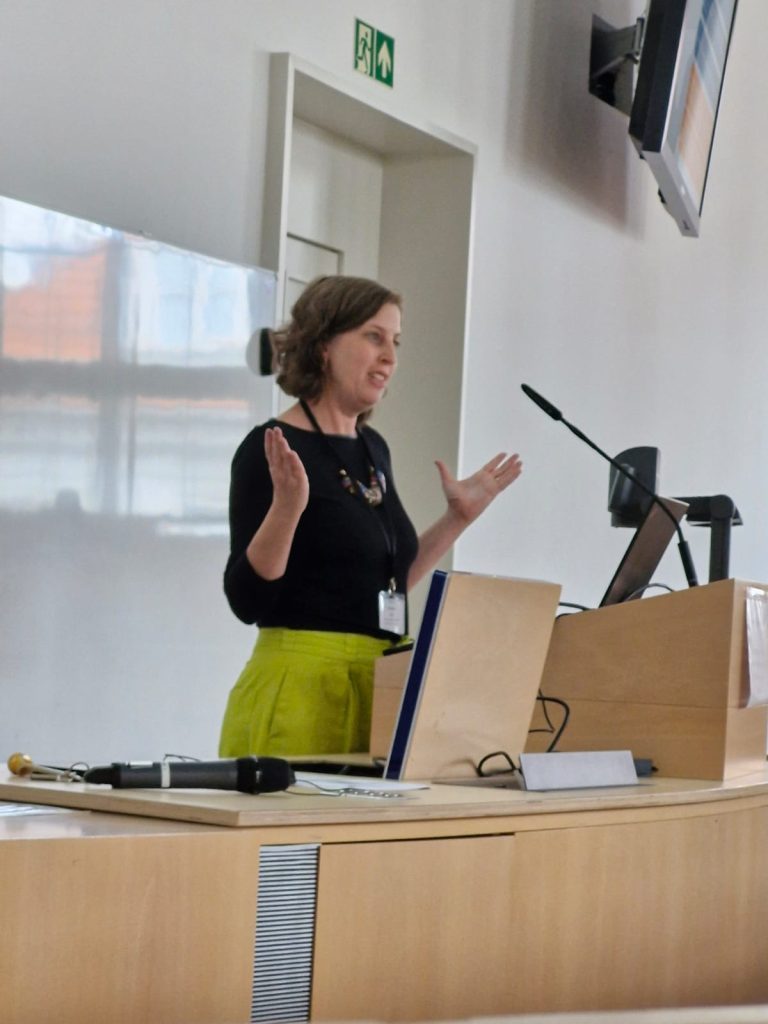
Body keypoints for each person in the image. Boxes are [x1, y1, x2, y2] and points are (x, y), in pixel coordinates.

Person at [219, 275, 522, 757]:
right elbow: (247, 600)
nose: (390, 358)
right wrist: (287, 509)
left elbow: (385, 582)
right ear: (323, 345)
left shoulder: (372, 448)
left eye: (395, 342)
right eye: (374, 337)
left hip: (382, 684)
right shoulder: (271, 447)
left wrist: (457, 519)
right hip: (301, 689)